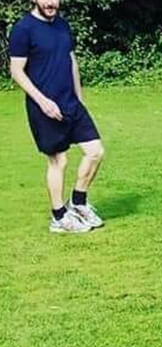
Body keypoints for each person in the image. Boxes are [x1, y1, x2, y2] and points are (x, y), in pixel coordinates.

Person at [7, 0, 106, 233]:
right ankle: (59, 217)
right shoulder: (23, 29)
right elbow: (16, 71)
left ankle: (79, 203)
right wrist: (42, 101)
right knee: (59, 161)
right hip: (45, 107)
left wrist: (79, 97)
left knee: (95, 152)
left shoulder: (62, 25)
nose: (51, 3)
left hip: (71, 103)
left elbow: (71, 60)